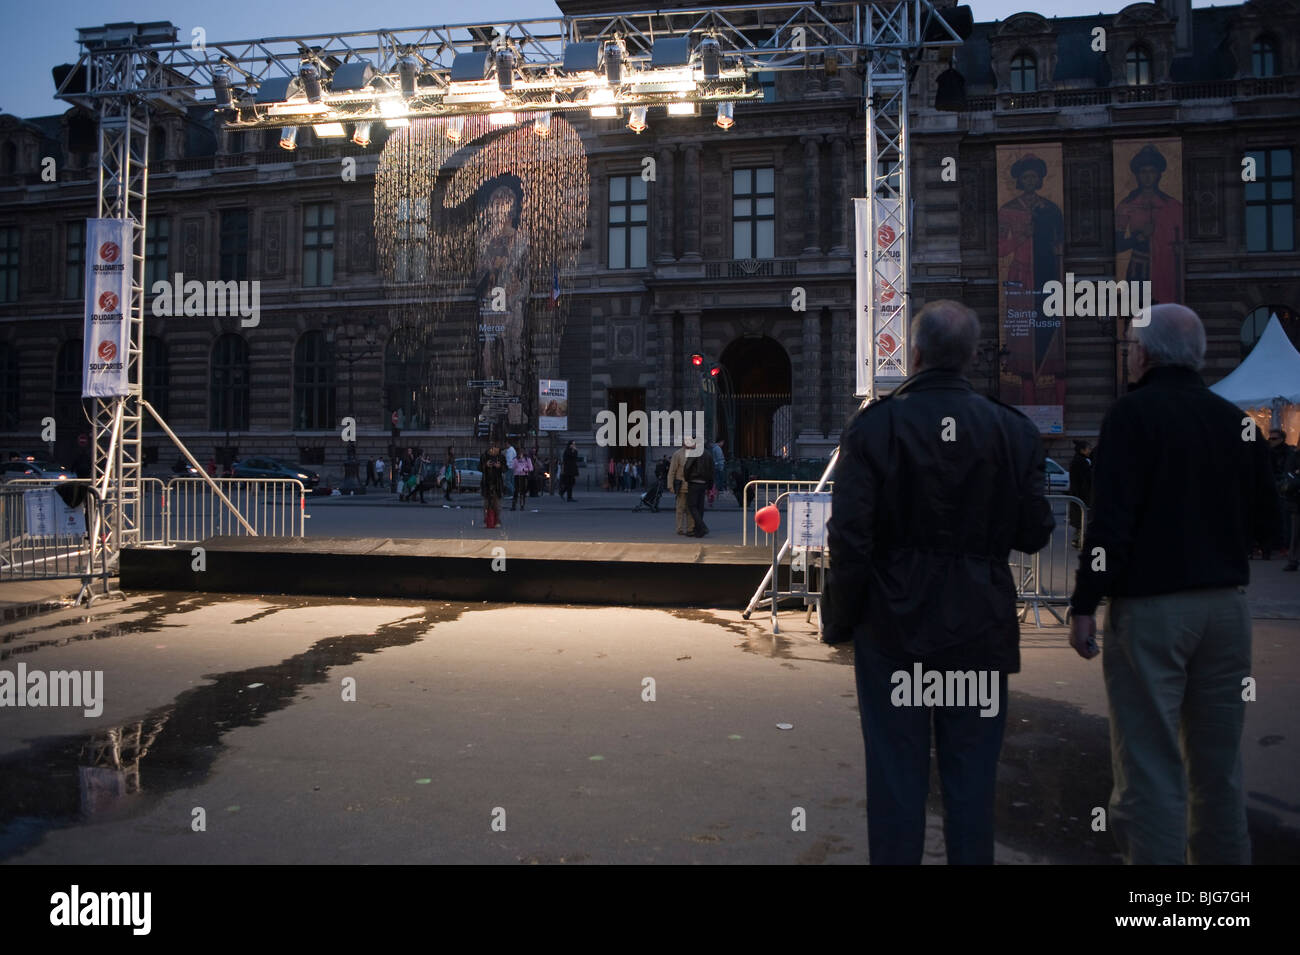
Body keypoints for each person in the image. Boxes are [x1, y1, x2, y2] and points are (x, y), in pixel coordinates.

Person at [825, 299, 1055, 865]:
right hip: (979, 626)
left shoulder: (875, 427)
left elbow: (849, 539)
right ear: (973, 357)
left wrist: (839, 621)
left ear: (917, 354)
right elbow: (1034, 532)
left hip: (894, 630)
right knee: (972, 783)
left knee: (897, 780)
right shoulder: (1011, 430)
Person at [1068, 304, 1278, 865]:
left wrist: (1085, 604)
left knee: (1150, 764)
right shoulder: (1237, 422)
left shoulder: (1130, 417)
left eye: (1131, 346)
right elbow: (1274, 528)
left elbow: (1108, 525)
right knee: (1218, 769)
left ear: (1144, 354)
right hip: (1228, 612)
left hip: (1151, 612)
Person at [684, 441, 713, 537]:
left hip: (694, 482)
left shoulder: (694, 452)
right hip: (703, 483)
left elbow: (687, 467)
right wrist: (710, 485)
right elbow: (711, 471)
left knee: (692, 506)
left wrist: (687, 478)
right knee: (700, 507)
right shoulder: (708, 454)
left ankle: (702, 527)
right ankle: (698, 530)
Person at [1068, 439, 1093, 549]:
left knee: (1080, 520)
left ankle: (1078, 541)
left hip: (1076, 494)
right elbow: (1086, 480)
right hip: (1081, 495)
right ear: (1082, 450)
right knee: (1082, 519)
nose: (1090, 450)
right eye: (1088, 448)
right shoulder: (1082, 462)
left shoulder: (1077, 460)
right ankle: (1079, 542)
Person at [667, 441, 695, 536]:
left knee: (690, 509)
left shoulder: (694, 453)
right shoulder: (677, 454)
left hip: (691, 486)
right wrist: (670, 485)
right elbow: (672, 471)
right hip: (682, 486)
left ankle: (690, 528)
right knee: (680, 508)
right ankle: (679, 528)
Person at [480, 443, 506, 527]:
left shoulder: (501, 457)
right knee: (486, 503)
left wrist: (500, 466)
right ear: (491, 448)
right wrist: (486, 465)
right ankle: (486, 520)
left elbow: (505, 469)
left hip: (497, 482)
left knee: (497, 503)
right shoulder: (484, 456)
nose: (498, 450)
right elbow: (479, 467)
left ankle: (497, 520)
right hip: (486, 482)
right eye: (496, 448)